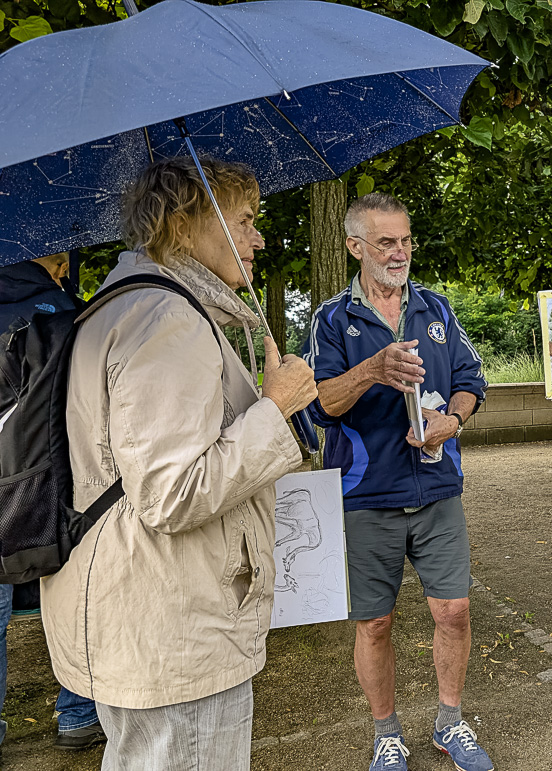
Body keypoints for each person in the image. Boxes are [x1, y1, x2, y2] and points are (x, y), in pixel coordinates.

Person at [39, 157, 318, 770]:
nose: (258, 237)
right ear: (187, 222)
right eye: (245, 219)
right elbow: (171, 494)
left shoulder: (122, 302)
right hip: (174, 626)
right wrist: (278, 408)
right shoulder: (169, 319)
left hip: (138, 613)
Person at [304, 193, 491, 771]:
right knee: (376, 621)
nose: (400, 251)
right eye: (386, 242)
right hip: (366, 497)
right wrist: (372, 369)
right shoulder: (332, 320)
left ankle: (450, 723)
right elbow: (319, 405)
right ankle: (387, 733)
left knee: (454, 611)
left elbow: (469, 379)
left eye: (406, 239)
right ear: (355, 247)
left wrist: (452, 421)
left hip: (437, 489)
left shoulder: (435, 309)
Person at [0, 252, 106, 753]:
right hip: (56, 488)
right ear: (56, 257)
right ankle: (79, 713)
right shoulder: (65, 312)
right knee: (74, 596)